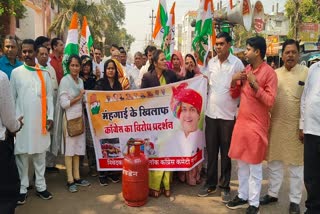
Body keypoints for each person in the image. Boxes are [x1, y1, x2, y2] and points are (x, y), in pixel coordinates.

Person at [226, 36, 278, 214]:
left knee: (254, 167)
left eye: (248, 49)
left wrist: (255, 85)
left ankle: (254, 204)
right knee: (241, 164)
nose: (245, 52)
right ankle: (242, 196)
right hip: (242, 124)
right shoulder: (246, 69)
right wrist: (233, 80)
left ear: (257, 52)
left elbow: (270, 101)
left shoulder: (269, 73)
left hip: (257, 127)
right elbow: (234, 95)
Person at [260, 39, 307, 214]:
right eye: (287, 52)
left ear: (298, 54)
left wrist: (304, 126)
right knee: (274, 162)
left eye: (294, 52)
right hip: (276, 124)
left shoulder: (306, 73)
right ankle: (272, 193)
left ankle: (295, 200)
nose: (290, 55)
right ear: (282, 55)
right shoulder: (275, 74)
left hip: (297, 127)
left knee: (296, 165)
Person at [198, 32, 244, 204]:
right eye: (216, 44)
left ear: (229, 45)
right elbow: (204, 84)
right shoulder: (211, 63)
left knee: (226, 153)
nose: (218, 46)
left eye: (221, 44)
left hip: (228, 116)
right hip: (211, 114)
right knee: (211, 151)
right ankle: (210, 184)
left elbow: (242, 88)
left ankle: (224, 186)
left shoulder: (237, 64)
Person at [10, 39, 54, 204]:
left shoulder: (44, 73)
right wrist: (13, 122)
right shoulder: (16, 73)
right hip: (21, 122)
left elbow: (49, 96)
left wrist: (50, 117)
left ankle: (41, 186)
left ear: (35, 53)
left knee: (39, 154)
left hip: (40, 122)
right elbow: (12, 98)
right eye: (24, 51)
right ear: (21, 53)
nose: (27, 54)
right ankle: (23, 187)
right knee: (21, 155)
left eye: (30, 51)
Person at [141, 49, 178, 197]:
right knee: (155, 152)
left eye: (165, 59)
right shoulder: (147, 77)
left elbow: (184, 82)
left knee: (167, 151)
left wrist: (195, 74)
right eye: (162, 60)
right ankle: (154, 186)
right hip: (153, 121)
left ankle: (167, 185)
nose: (165, 61)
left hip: (168, 121)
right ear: (155, 62)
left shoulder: (171, 75)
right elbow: (142, 97)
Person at [56, 55, 91, 193]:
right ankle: (70, 180)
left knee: (78, 148)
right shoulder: (65, 81)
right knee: (69, 150)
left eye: (77, 66)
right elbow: (64, 104)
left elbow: (82, 100)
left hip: (79, 117)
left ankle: (77, 177)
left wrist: (85, 100)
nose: (75, 68)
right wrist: (79, 97)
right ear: (68, 66)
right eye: (73, 65)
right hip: (69, 119)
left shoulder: (81, 81)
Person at [168, 82, 205, 186]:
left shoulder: (200, 136)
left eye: (192, 110)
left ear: (198, 115)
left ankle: (194, 177)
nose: (187, 115)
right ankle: (182, 176)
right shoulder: (175, 136)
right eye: (184, 109)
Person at [95, 59, 122, 185]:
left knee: (114, 144)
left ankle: (112, 172)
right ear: (105, 70)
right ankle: (102, 173)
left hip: (115, 119)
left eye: (113, 68)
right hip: (102, 120)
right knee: (103, 144)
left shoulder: (118, 84)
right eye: (108, 68)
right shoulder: (100, 83)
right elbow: (96, 100)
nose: (110, 70)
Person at [0, 70, 23, 214]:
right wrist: (17, 125)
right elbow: (9, 120)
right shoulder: (1, 78)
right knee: (5, 196)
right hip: (1, 147)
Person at [300, 60, 320, 214]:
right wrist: (302, 125)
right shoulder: (313, 68)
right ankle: (312, 208)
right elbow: (305, 97)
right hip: (311, 130)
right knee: (311, 174)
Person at [36, 46, 60, 174]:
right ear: (37, 55)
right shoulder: (34, 69)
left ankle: (49, 164)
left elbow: (53, 90)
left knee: (51, 136)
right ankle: (40, 168)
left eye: (46, 54)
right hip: (38, 110)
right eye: (42, 54)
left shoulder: (51, 69)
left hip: (52, 107)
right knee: (40, 137)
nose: (44, 56)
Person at [79, 55, 98, 177]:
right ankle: (78, 168)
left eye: (88, 65)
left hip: (91, 114)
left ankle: (92, 166)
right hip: (79, 113)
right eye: (84, 65)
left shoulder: (94, 79)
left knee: (91, 143)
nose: (86, 67)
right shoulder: (77, 79)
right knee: (80, 140)